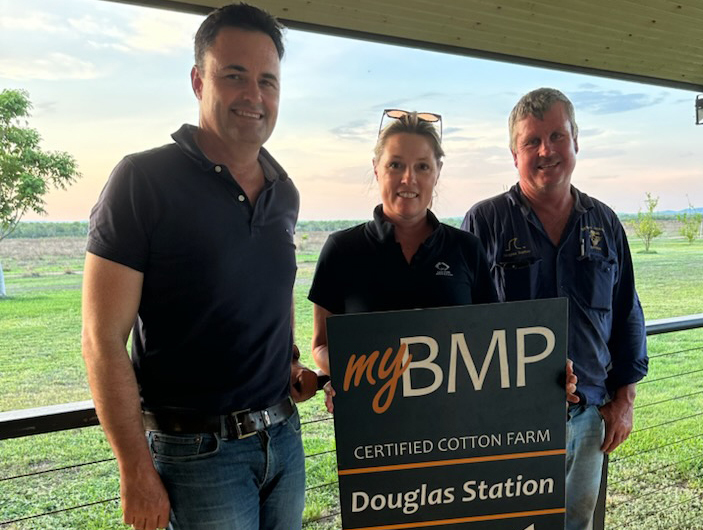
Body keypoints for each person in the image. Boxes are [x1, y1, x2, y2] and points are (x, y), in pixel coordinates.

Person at [81, 5, 317, 530]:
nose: (254, 95)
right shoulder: (142, 181)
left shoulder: (286, 192)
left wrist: (288, 367)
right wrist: (135, 472)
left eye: (267, 81)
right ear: (197, 80)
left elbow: (257, 304)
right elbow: (101, 340)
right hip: (197, 457)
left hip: (284, 438)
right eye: (234, 76)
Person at [462, 87, 648, 530]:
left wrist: (625, 399)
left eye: (557, 136)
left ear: (576, 142)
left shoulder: (605, 223)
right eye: (532, 141)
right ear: (514, 154)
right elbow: (463, 329)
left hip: (586, 419)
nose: (546, 151)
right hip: (507, 426)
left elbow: (627, 313)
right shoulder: (484, 223)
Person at [307, 110, 578, 411]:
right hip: (374, 429)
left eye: (422, 166)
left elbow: (493, 345)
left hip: (454, 431)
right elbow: (321, 346)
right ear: (376, 169)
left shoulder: (466, 248)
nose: (408, 178)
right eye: (395, 164)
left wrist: (546, 371)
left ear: (437, 171)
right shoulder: (342, 250)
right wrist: (351, 375)